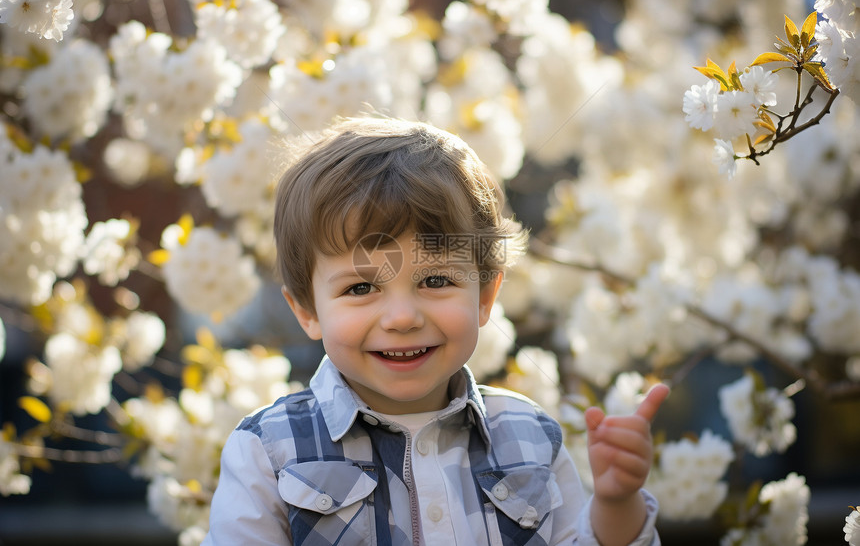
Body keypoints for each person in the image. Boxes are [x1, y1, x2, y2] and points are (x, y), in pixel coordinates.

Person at [203, 116, 669, 545]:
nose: (402, 317)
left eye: (436, 280)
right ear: (308, 310)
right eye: (361, 287)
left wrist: (615, 504)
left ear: (485, 296)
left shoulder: (529, 437)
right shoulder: (270, 451)